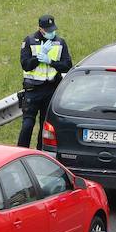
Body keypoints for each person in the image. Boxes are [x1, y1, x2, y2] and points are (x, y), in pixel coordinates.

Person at [16, 14, 72, 149]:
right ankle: (20, 152)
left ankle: (40, 153)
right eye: (48, 30)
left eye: (53, 30)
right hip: (33, 90)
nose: (51, 33)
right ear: (40, 29)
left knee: (45, 126)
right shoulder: (29, 41)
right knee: (27, 125)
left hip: (51, 89)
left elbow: (67, 65)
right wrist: (38, 58)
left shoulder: (60, 43)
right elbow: (26, 65)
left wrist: (51, 62)